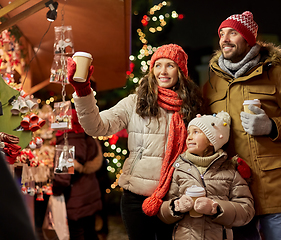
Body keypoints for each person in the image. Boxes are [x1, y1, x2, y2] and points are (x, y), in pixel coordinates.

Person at [67, 44, 206, 240]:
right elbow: (96, 127)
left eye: (170, 65)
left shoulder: (192, 106)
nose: (163, 71)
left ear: (181, 71)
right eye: (158, 65)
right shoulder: (134, 102)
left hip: (176, 199)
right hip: (136, 199)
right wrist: (82, 91)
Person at [203, 11, 281, 240]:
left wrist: (271, 126)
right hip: (233, 191)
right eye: (221, 34)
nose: (224, 39)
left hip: (273, 188)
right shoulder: (211, 85)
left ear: (248, 39)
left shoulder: (277, 74)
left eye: (233, 33)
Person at [158, 111, 255, 239]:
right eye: (189, 133)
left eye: (196, 132)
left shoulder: (230, 171)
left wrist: (215, 208)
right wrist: (176, 206)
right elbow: (162, 211)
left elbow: (246, 210)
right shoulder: (179, 169)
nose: (189, 137)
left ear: (211, 140)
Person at [52, 109, 103, 240]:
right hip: (90, 193)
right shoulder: (88, 137)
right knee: (90, 231)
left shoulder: (66, 141)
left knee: (77, 234)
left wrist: (55, 191)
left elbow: (63, 178)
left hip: (75, 199)